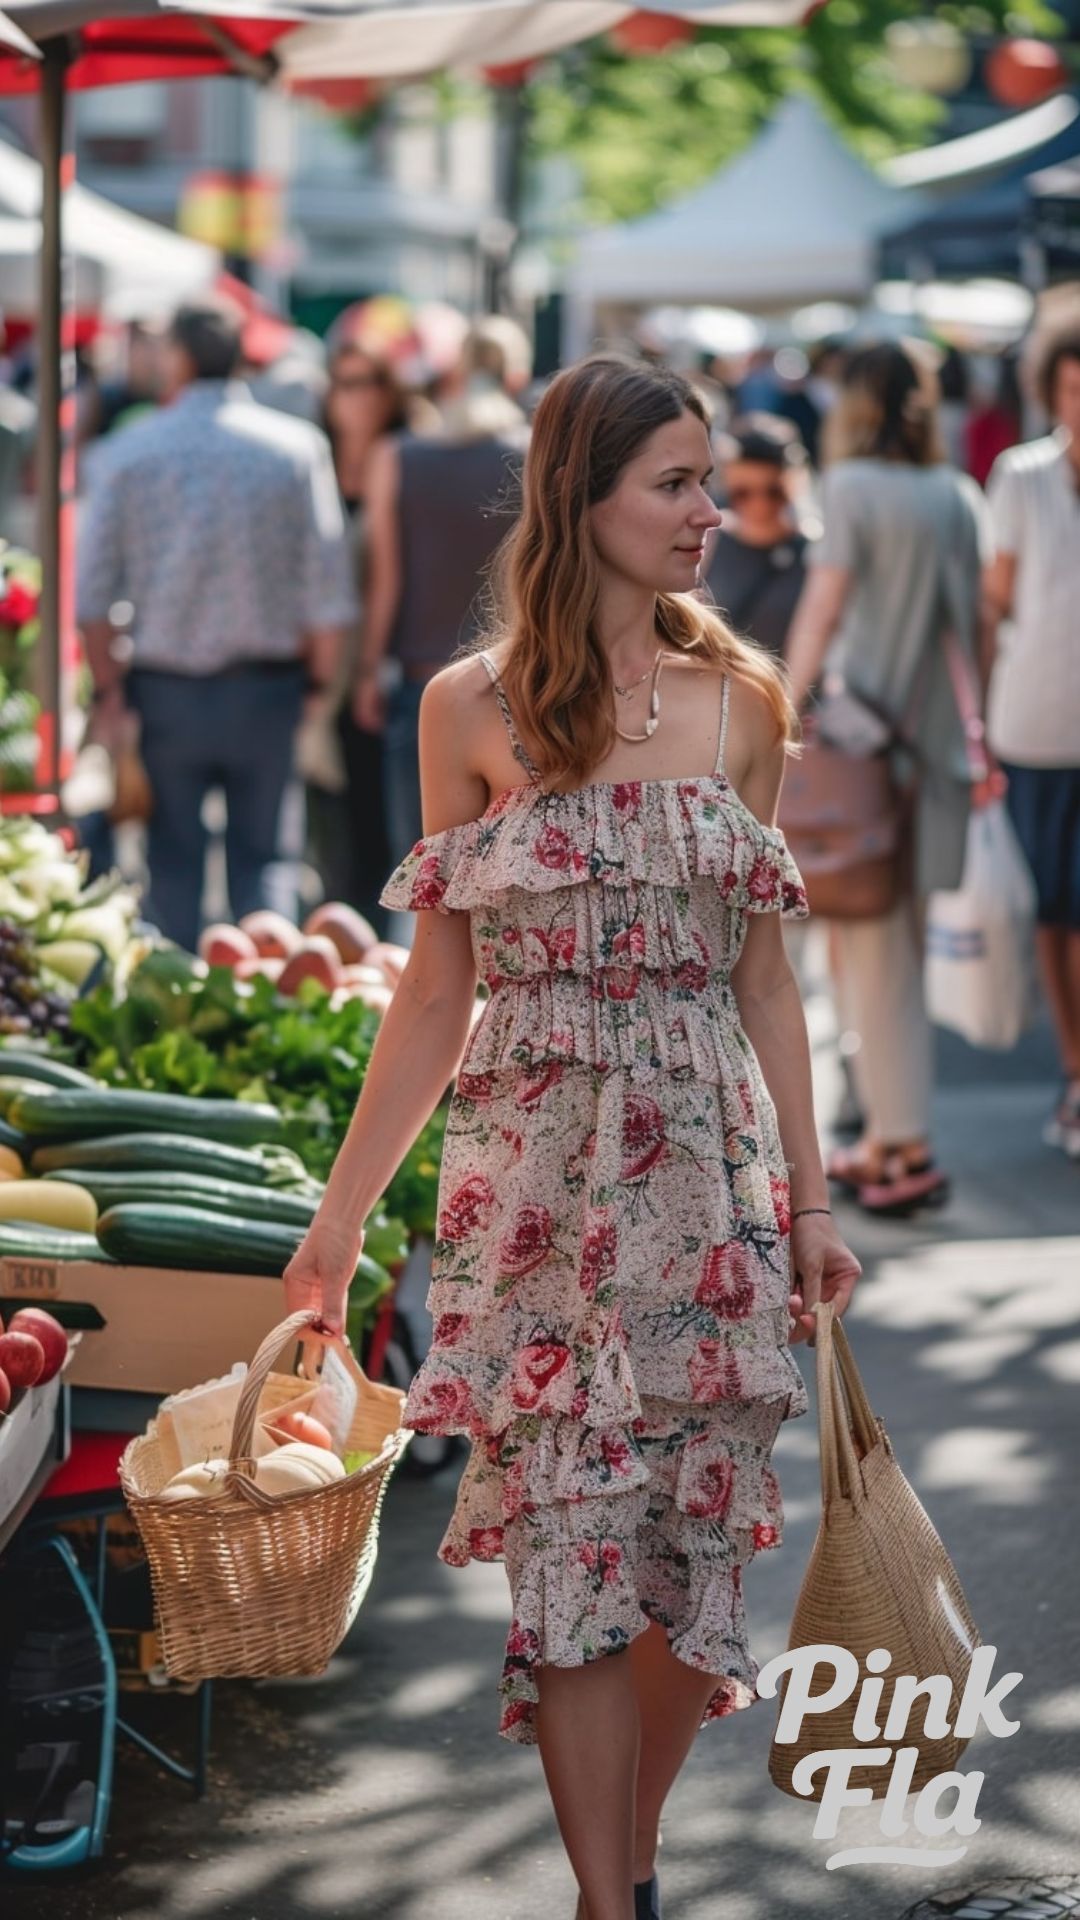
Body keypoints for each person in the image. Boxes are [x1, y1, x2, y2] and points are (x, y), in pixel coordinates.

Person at [283, 356, 861, 1920]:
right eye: (674, 482)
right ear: (580, 496)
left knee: (689, 1571)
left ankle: (639, 1848)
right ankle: (612, 1904)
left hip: (706, 1178)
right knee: (571, 1567)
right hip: (534, 1181)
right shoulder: (467, 710)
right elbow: (432, 992)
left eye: (711, 479)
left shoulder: (741, 701)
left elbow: (765, 974)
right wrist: (342, 1225)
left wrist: (813, 1200)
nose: (708, 512)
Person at [76, 293, 356, 955]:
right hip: (267, 687)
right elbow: (329, 595)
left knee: (170, 862)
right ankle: (273, 1014)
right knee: (266, 862)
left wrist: (110, 693)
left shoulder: (128, 452)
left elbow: (91, 598)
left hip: (165, 687)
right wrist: (317, 692)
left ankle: (179, 1019)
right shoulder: (294, 450)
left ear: (176, 356)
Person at [784, 341, 987, 1215]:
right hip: (930, 750)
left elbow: (823, 607)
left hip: (856, 747)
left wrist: (781, 704)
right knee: (888, 943)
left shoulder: (852, 487)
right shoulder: (956, 495)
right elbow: (974, 631)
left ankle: (899, 1144)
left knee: (863, 946)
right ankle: (892, 1134)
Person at [352, 315, 532, 944]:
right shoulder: (531, 456)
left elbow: (387, 580)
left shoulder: (398, 456)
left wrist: (370, 666)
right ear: (515, 375)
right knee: (511, 868)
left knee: (425, 865)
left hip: (422, 680)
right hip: (519, 682)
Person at [984, 326, 1080, 1157]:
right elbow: (996, 599)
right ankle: (1075, 1070)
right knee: (1051, 908)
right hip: (1035, 725)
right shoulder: (1022, 473)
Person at [298, 332, 413, 925]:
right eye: (343, 383)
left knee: (375, 821)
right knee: (327, 823)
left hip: (377, 664)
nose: (355, 398)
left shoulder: (402, 457)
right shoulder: (312, 457)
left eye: (368, 382)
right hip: (319, 664)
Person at [705, 416, 814, 662]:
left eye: (774, 492)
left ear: (794, 484)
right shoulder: (709, 538)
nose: (759, 505)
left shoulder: (814, 552)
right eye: (742, 493)